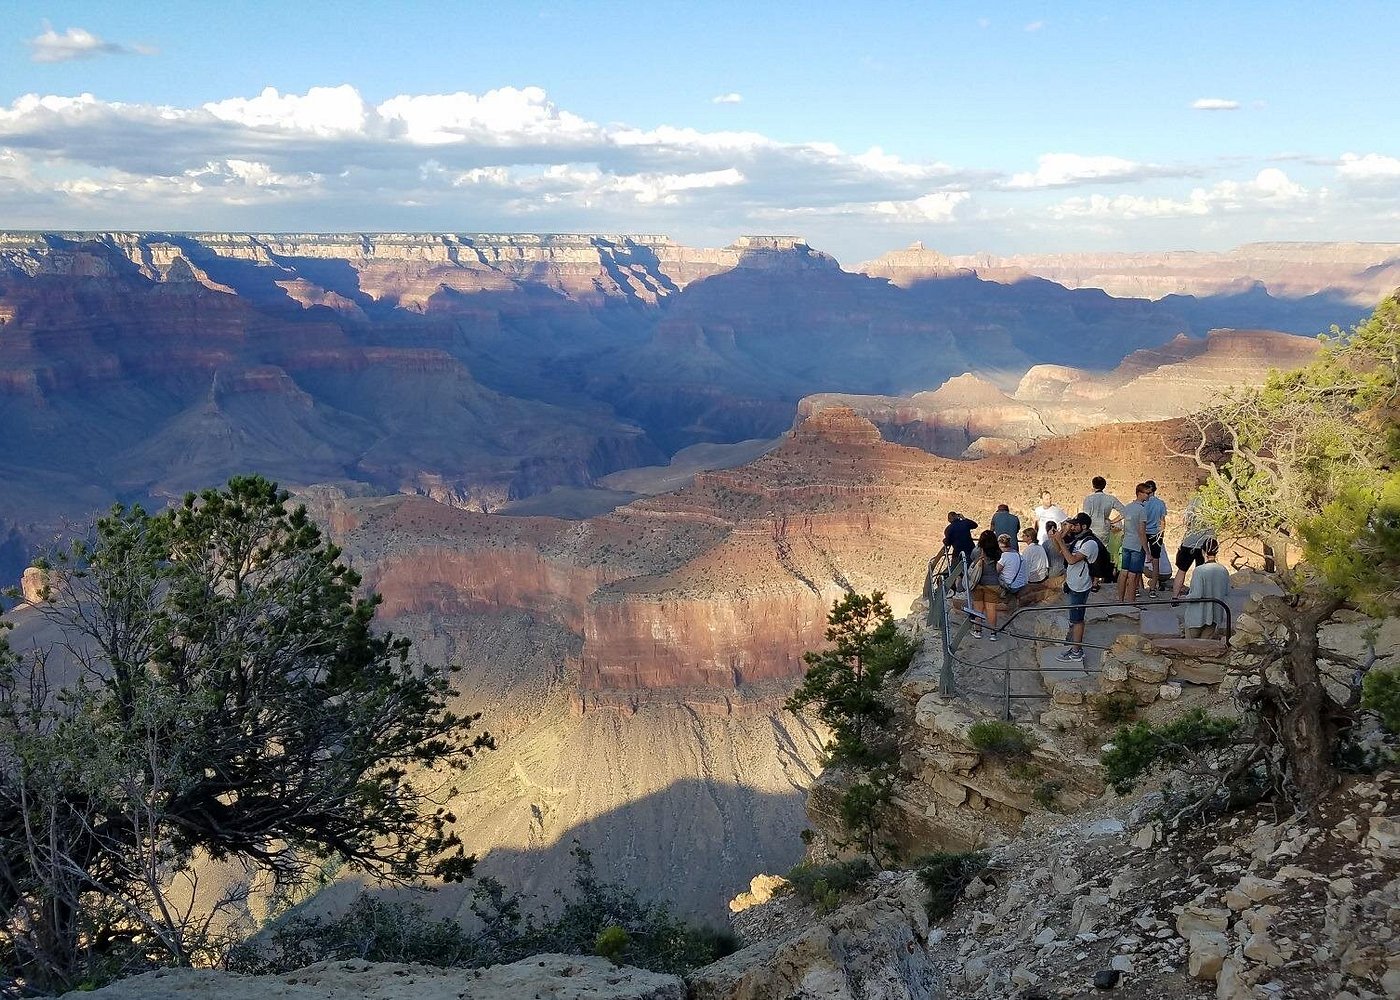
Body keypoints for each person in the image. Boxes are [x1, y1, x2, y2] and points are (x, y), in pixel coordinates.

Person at [1049, 513, 1099, 661]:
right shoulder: (1079, 540)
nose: (1073, 527)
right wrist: (1062, 534)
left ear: (1084, 526)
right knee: (1075, 618)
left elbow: (1071, 560)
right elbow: (1060, 551)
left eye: (1075, 525)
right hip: (1073, 582)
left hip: (1080, 585)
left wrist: (1060, 539)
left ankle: (1077, 652)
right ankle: (1075, 648)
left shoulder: (1090, 543)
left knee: (1077, 619)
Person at [1183, 539, 1230, 638]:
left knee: (1191, 646)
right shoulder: (1223, 570)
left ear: (1203, 551)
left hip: (1197, 617)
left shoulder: (1199, 571)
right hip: (1214, 616)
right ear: (1217, 552)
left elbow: (1196, 595)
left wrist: (1184, 597)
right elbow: (1225, 591)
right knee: (1206, 645)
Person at [1172, 497, 1214, 600]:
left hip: (1189, 542)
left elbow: (1187, 522)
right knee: (1202, 572)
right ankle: (1199, 595)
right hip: (1205, 543)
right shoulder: (1213, 501)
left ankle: (1175, 597)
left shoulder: (1193, 501)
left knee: (1181, 570)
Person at [1116, 483, 1152, 603]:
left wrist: (1110, 522)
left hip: (1126, 543)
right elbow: (1142, 532)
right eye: (1147, 493)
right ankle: (1131, 602)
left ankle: (1120, 600)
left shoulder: (1128, 507)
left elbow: (1120, 519)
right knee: (1133, 575)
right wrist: (1147, 551)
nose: (1148, 495)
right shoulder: (1142, 510)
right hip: (1137, 545)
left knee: (1123, 572)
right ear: (1140, 493)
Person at [969, 530, 1003, 639]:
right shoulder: (998, 553)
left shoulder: (976, 551)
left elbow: (971, 560)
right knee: (991, 609)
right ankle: (993, 633)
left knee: (978, 608)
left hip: (978, 583)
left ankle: (978, 631)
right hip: (993, 584)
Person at [1083, 476, 1123, 568]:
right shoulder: (1110, 499)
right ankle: (1098, 578)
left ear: (1093, 486)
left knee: (1090, 552)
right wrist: (1112, 521)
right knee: (1102, 552)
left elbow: (1086, 516)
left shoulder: (1089, 499)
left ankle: (1091, 575)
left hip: (1091, 529)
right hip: (1104, 529)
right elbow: (1124, 512)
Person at [1143, 481, 1168, 592]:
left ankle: (1138, 587)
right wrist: (1161, 533)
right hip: (1156, 533)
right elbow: (1162, 521)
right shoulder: (1160, 503)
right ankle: (1153, 587)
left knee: (1139, 556)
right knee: (1156, 559)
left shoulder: (1143, 503)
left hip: (1143, 532)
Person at [943, 511, 978, 584]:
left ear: (949, 520)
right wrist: (964, 518)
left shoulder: (948, 529)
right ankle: (972, 581)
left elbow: (947, 542)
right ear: (957, 516)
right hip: (970, 550)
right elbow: (975, 525)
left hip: (958, 553)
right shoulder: (965, 523)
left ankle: (955, 583)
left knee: (954, 569)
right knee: (972, 568)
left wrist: (944, 540)